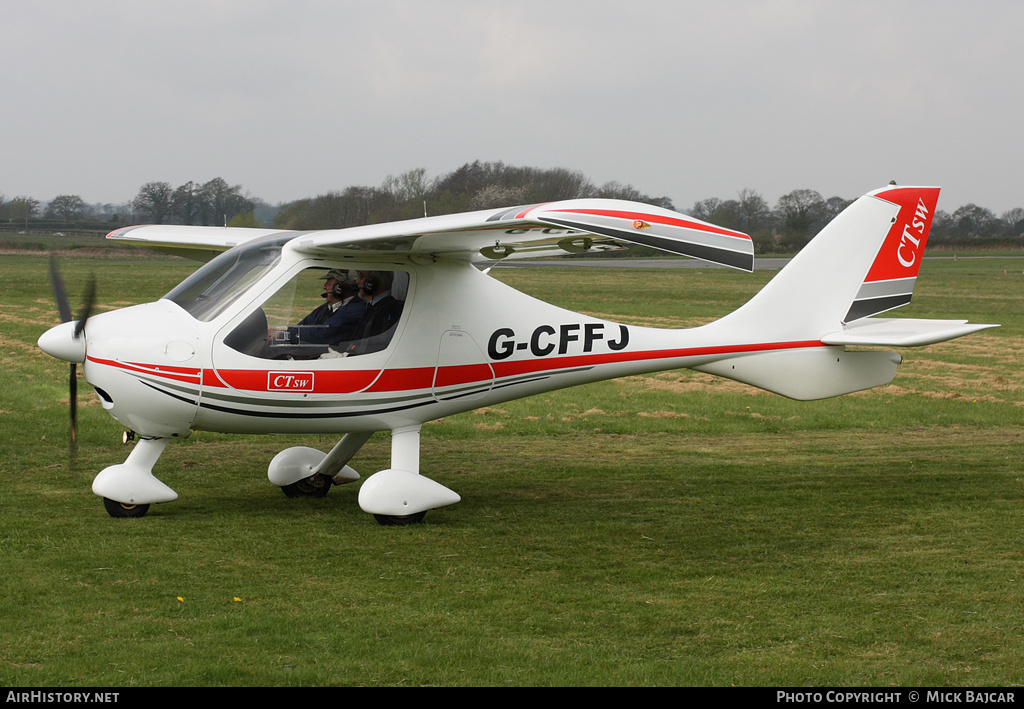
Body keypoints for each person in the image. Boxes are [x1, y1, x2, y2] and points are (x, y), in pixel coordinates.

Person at [334, 270, 404, 356]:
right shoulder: (373, 306)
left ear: (371, 284)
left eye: (361, 277)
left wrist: (345, 356)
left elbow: (376, 348)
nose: (357, 281)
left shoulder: (388, 309)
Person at [290, 269, 367, 345]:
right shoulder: (326, 308)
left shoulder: (354, 311)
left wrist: (288, 334)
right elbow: (300, 327)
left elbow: (322, 335)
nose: (324, 287)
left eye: (328, 282)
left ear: (339, 288)